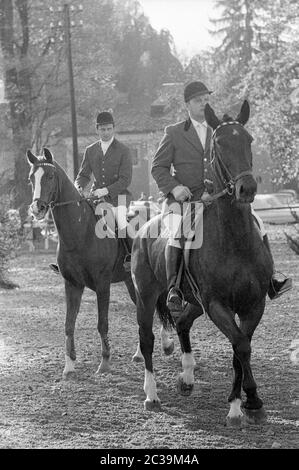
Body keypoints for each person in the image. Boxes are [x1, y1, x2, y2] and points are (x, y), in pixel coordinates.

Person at [151, 80, 292, 314]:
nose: (203, 104)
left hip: (219, 196)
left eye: (206, 100)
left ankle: (271, 278)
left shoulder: (219, 130)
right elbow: (158, 167)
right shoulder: (174, 133)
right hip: (188, 199)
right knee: (178, 231)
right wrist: (175, 188)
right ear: (187, 105)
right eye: (198, 100)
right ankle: (175, 287)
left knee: (256, 220)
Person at [50, 110, 133, 273]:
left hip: (119, 197)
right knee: (77, 219)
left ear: (113, 129)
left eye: (109, 129)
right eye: (103, 129)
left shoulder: (124, 150)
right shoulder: (90, 150)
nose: (106, 132)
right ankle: (68, 261)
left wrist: (105, 191)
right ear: (97, 130)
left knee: (120, 220)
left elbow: (125, 180)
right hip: (95, 197)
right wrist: (78, 186)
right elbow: (84, 174)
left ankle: (129, 256)